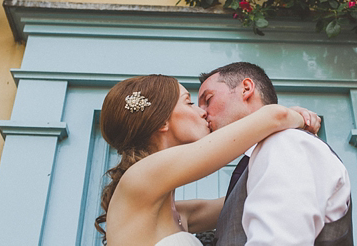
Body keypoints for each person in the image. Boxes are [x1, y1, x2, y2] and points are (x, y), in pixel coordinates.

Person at [94, 74, 320, 246]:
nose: (202, 112)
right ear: (162, 122)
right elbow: (275, 116)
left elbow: (250, 196)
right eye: (189, 103)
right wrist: (298, 117)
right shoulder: (142, 174)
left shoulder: (179, 213)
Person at [198, 62, 353, 246]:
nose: (203, 113)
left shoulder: (283, 143)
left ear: (246, 89)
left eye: (208, 100)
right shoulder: (262, 155)